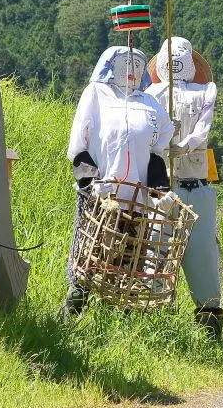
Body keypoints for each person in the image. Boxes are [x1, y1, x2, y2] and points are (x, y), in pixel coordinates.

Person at [62, 46, 173, 319]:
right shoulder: (96, 95)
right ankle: (70, 318)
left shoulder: (149, 104)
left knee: (128, 262)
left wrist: (161, 189)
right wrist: (91, 183)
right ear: (111, 67)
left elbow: (156, 152)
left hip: (136, 200)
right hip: (102, 197)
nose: (132, 71)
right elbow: (78, 146)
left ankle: (120, 323)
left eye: (138, 65)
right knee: (90, 258)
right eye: (126, 64)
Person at [146, 37, 223, 337]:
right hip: (167, 187)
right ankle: (161, 324)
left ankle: (203, 328)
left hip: (180, 187)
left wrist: (177, 145)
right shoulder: (153, 96)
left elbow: (200, 132)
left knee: (180, 254)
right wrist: (175, 145)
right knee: (160, 253)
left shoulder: (201, 92)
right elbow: (199, 132)